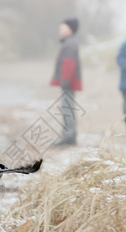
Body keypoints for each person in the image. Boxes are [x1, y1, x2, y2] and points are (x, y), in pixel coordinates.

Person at [50, 17, 82, 146]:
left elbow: (69, 64)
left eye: (63, 27)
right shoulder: (68, 42)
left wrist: (65, 81)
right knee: (67, 108)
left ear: (70, 29)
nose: (60, 29)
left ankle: (68, 138)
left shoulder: (70, 44)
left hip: (68, 82)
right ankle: (70, 137)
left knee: (67, 109)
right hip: (67, 82)